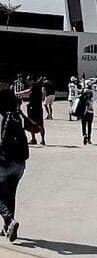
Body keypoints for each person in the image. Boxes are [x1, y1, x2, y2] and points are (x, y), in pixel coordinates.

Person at [0, 88, 29, 242]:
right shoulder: (17, 116)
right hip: (20, 164)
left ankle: (10, 220)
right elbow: (32, 128)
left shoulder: (1, 116)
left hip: (4, 163)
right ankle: (7, 227)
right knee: (10, 195)